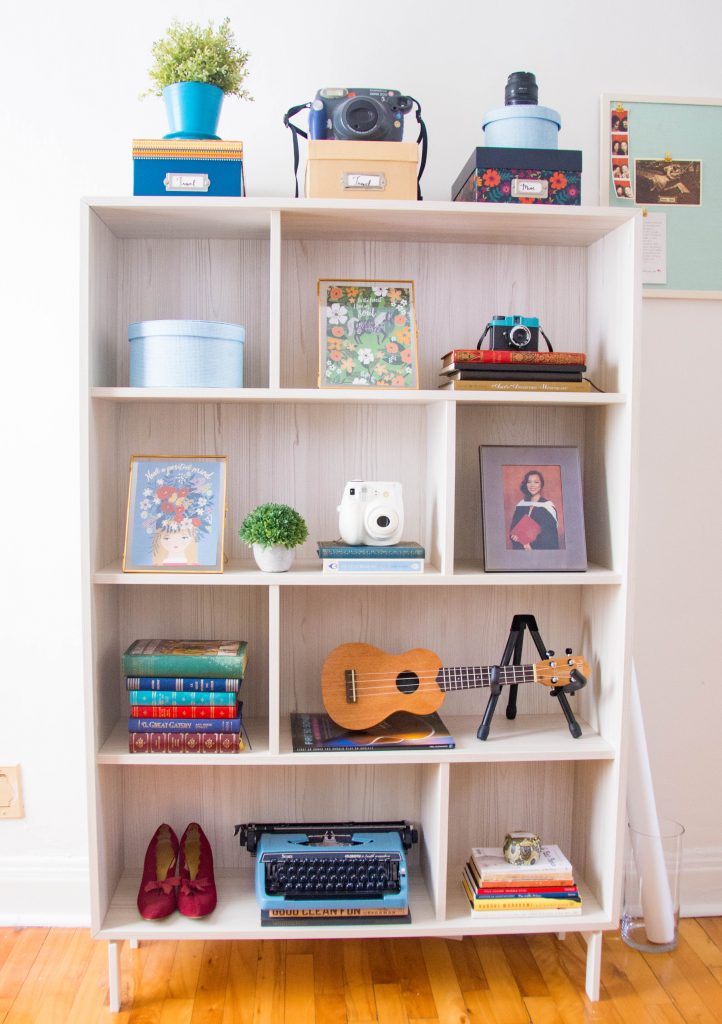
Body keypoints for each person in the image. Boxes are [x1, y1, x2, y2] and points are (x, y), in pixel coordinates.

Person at [509, 470, 559, 550]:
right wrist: (515, 537)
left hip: (541, 553)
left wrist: (530, 545)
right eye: (529, 482)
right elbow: (513, 529)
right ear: (526, 484)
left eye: (536, 482)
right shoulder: (521, 505)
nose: (532, 485)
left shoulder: (547, 506)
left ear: (541, 484)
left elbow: (549, 535)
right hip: (521, 551)